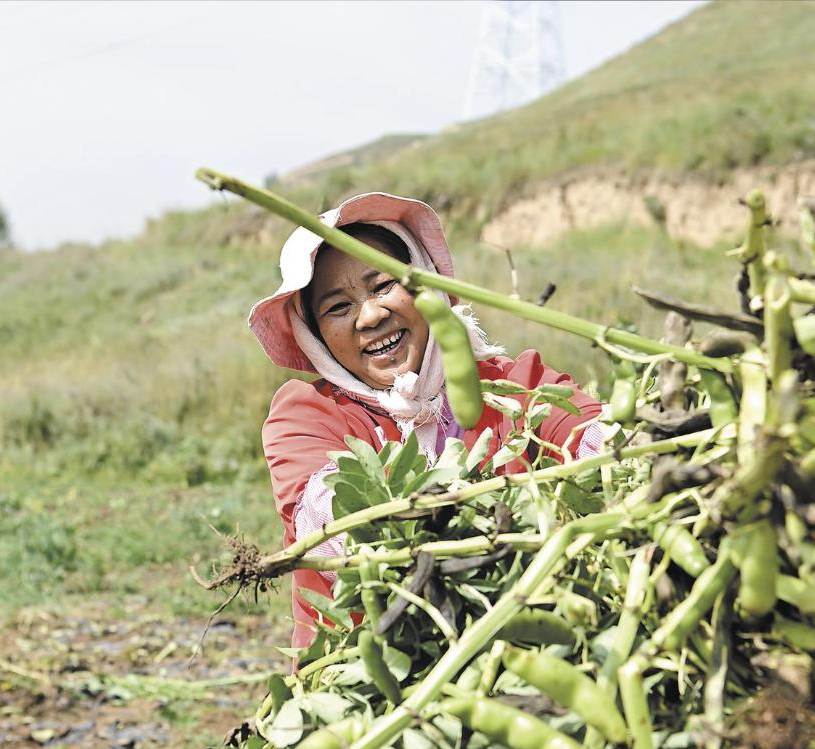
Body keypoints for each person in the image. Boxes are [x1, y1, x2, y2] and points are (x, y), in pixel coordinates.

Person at [248, 192, 605, 649]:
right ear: (315, 337)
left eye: (382, 286)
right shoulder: (307, 416)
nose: (371, 316)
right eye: (338, 307)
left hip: (520, 648)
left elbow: (598, 442)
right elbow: (333, 529)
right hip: (370, 673)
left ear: (425, 285)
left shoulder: (513, 385)